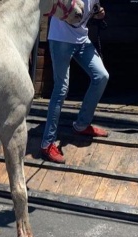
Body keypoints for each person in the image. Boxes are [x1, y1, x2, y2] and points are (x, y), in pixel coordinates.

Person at [40, 0, 110, 164]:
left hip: (82, 41)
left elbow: (95, 10)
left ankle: (82, 124)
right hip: (61, 40)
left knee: (101, 76)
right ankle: (47, 143)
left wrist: (99, 13)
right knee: (61, 89)